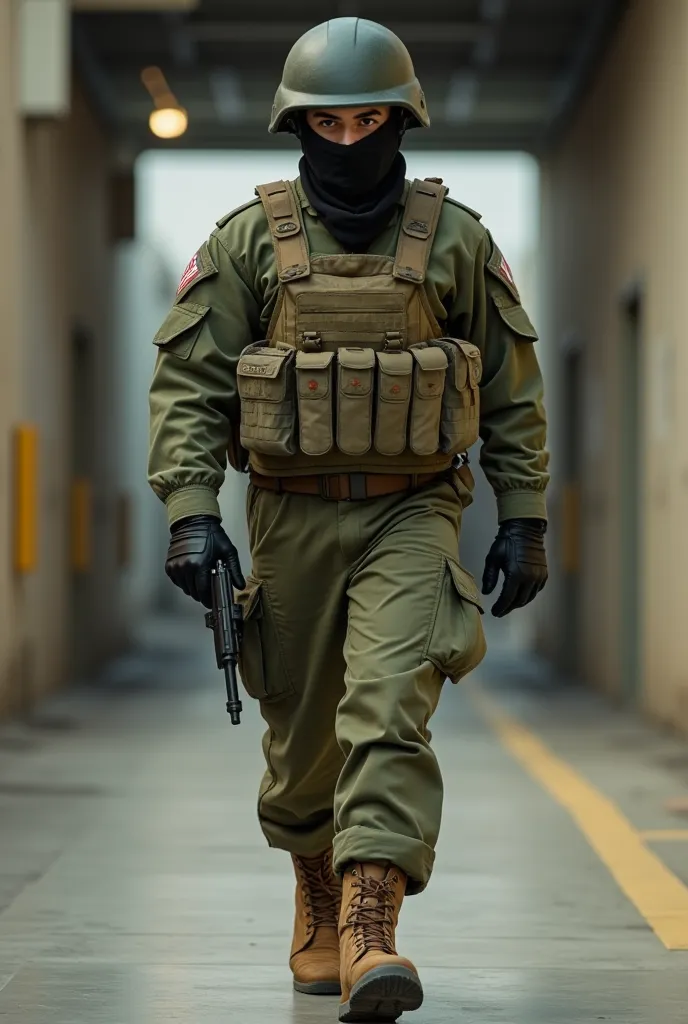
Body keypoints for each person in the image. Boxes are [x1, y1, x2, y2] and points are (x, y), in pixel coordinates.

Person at [148, 17, 549, 1023]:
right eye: (329, 122)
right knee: (302, 742)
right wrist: (193, 509)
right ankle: (316, 884)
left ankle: (373, 925)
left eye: (369, 119)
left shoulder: (455, 242)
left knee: (387, 707)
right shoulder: (247, 242)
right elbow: (190, 385)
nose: (349, 140)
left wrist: (524, 512)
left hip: (414, 512)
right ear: (298, 127)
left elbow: (509, 388)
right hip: (288, 517)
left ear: (401, 122)